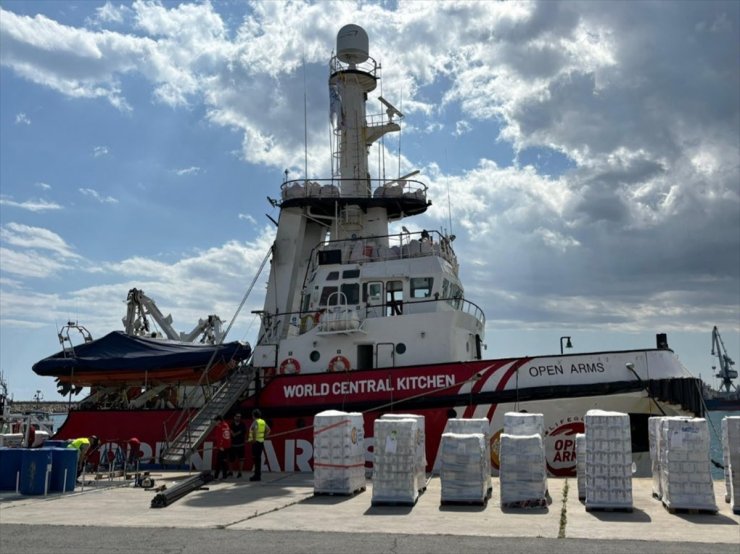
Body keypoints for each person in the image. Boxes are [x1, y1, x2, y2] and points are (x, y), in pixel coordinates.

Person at [248, 409, 270, 481]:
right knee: (259, 459)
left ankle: (256, 476)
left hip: (256, 443)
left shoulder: (255, 422)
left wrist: (253, 439)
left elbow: (254, 430)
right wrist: (264, 436)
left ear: (253, 415)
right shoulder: (262, 422)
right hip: (261, 442)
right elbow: (268, 430)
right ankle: (258, 475)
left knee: (256, 459)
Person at [229, 413, 247, 478]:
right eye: (237, 416)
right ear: (234, 417)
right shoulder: (232, 424)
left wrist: (235, 434)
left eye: (239, 417)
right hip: (233, 445)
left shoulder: (243, 424)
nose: (238, 418)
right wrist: (234, 433)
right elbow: (231, 432)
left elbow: (242, 432)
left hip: (241, 445)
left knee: (241, 459)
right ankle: (230, 472)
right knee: (231, 460)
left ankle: (240, 473)